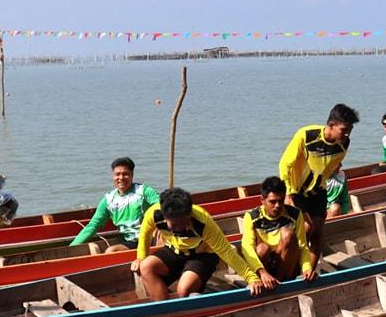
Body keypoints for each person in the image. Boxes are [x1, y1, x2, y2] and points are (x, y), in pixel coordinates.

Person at [131, 187, 261, 301]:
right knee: (145, 266)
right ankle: (164, 308)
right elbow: (145, 236)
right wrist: (141, 257)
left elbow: (226, 252)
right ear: (165, 217)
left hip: (202, 255)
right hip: (174, 250)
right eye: (174, 225)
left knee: (183, 290)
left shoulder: (203, 222)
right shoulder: (153, 214)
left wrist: (251, 278)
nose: (180, 228)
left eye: (184, 223)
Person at [280, 103, 360, 268]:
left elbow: (330, 168)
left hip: (319, 192)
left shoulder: (344, 143)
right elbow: (285, 164)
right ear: (331, 125)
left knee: (317, 235)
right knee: (307, 228)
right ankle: (286, 267)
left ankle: (308, 272)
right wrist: (288, 193)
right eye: (344, 130)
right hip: (296, 191)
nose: (347, 134)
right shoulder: (306, 135)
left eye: (350, 130)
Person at [240, 176, 316, 291]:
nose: (277, 206)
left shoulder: (295, 214)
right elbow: (247, 248)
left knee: (288, 234)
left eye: (280, 201)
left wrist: (307, 268)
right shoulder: (251, 217)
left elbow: (302, 246)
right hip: (264, 267)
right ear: (262, 200)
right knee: (262, 249)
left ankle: (278, 285)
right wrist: (262, 272)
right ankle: (266, 282)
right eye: (272, 201)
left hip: (287, 267)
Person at [70, 157, 159, 252]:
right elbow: (94, 225)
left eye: (125, 174)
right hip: (132, 242)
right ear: (113, 176)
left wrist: (160, 225)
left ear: (132, 175)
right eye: (117, 174)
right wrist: (72, 247)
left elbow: (161, 205)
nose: (121, 178)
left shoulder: (144, 191)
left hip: (153, 237)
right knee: (110, 251)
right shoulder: (109, 200)